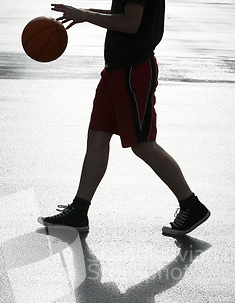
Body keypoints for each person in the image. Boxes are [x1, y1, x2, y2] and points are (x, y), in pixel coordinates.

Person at [37, 0, 211, 236]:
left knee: (142, 144)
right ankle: (79, 210)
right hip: (115, 69)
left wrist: (86, 16)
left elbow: (131, 23)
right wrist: (84, 13)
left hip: (133, 70)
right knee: (97, 136)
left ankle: (192, 206)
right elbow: (124, 14)